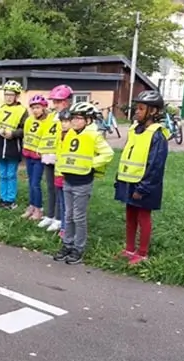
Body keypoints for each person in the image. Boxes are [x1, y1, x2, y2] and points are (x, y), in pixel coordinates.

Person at [53, 101, 114, 265]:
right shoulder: (70, 134)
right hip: (68, 180)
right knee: (68, 215)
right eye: (73, 117)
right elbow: (63, 154)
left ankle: (78, 248)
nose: (74, 121)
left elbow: (108, 154)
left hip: (82, 182)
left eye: (78, 118)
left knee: (78, 217)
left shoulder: (94, 135)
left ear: (88, 120)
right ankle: (67, 244)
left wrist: (90, 164)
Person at [114, 90, 169, 265]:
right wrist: (119, 179)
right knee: (130, 215)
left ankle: (142, 253)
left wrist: (144, 187)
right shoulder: (133, 130)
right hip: (128, 180)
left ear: (152, 112)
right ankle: (129, 249)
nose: (136, 112)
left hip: (144, 185)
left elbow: (155, 165)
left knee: (143, 217)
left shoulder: (157, 135)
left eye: (141, 108)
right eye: (136, 108)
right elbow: (127, 155)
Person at [39, 84, 73, 229]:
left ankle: (60, 218)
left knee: (61, 189)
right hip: (49, 155)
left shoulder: (71, 117)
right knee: (50, 187)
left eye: (59, 101)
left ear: (68, 101)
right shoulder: (52, 117)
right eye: (55, 101)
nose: (56, 104)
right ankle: (50, 215)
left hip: (61, 158)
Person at [0, 80, 27, 210]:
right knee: (2, 174)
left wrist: (14, 134)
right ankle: (2, 197)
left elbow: (25, 129)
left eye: (11, 95)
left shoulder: (22, 111)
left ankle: (10, 199)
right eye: (6, 94)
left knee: (11, 174)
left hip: (13, 148)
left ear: (17, 96)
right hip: (0, 146)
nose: (8, 97)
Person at [21, 94, 51, 221]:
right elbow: (26, 135)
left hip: (39, 157)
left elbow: (46, 138)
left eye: (38, 107)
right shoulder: (29, 120)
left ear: (44, 108)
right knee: (30, 182)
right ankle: (32, 205)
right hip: (29, 154)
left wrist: (41, 150)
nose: (35, 110)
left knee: (35, 183)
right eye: (33, 108)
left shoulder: (48, 122)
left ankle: (39, 209)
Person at [54, 109, 73, 238]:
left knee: (68, 205)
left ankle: (68, 229)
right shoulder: (59, 134)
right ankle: (63, 226)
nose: (64, 124)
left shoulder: (73, 136)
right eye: (62, 121)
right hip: (58, 173)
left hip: (68, 174)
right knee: (61, 202)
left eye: (67, 121)